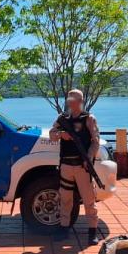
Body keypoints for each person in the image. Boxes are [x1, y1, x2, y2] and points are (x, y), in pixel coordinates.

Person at [49, 89, 101, 245]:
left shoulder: (89, 119)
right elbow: (52, 134)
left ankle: (92, 231)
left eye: (74, 99)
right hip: (66, 165)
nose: (71, 102)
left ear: (80, 101)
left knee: (88, 199)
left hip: (82, 166)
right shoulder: (62, 119)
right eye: (69, 99)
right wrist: (61, 135)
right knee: (65, 198)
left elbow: (95, 141)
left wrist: (89, 158)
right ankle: (64, 228)